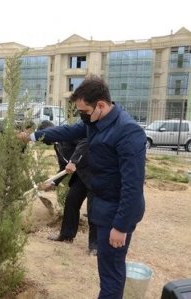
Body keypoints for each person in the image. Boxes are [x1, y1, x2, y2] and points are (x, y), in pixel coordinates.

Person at [19, 76, 146, 299]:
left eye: (84, 111)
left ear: (101, 105)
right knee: (107, 269)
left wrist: (121, 226)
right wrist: (33, 136)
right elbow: (67, 131)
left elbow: (133, 186)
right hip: (102, 205)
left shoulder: (128, 132)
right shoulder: (95, 123)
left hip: (116, 211)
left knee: (111, 272)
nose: (82, 117)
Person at [38, 120, 97, 255]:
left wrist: (74, 160)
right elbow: (62, 167)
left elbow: (85, 141)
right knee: (71, 201)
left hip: (93, 174)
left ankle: (95, 245)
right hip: (81, 177)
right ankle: (66, 235)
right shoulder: (57, 145)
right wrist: (53, 183)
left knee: (93, 209)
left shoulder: (69, 135)